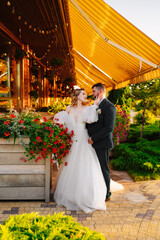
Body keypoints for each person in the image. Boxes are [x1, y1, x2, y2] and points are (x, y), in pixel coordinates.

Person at [53, 88, 123, 213]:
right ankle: (70, 194)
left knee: (86, 165)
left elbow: (95, 121)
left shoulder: (88, 109)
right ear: (77, 96)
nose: (87, 95)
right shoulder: (68, 109)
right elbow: (62, 123)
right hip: (73, 140)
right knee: (71, 166)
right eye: (83, 94)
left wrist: (95, 106)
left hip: (85, 140)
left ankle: (88, 194)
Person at [86, 83, 116, 201]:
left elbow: (109, 127)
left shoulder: (109, 106)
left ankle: (107, 194)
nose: (92, 94)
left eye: (94, 91)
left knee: (103, 168)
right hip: (93, 143)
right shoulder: (97, 105)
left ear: (101, 91)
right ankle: (99, 191)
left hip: (102, 143)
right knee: (96, 169)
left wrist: (94, 138)